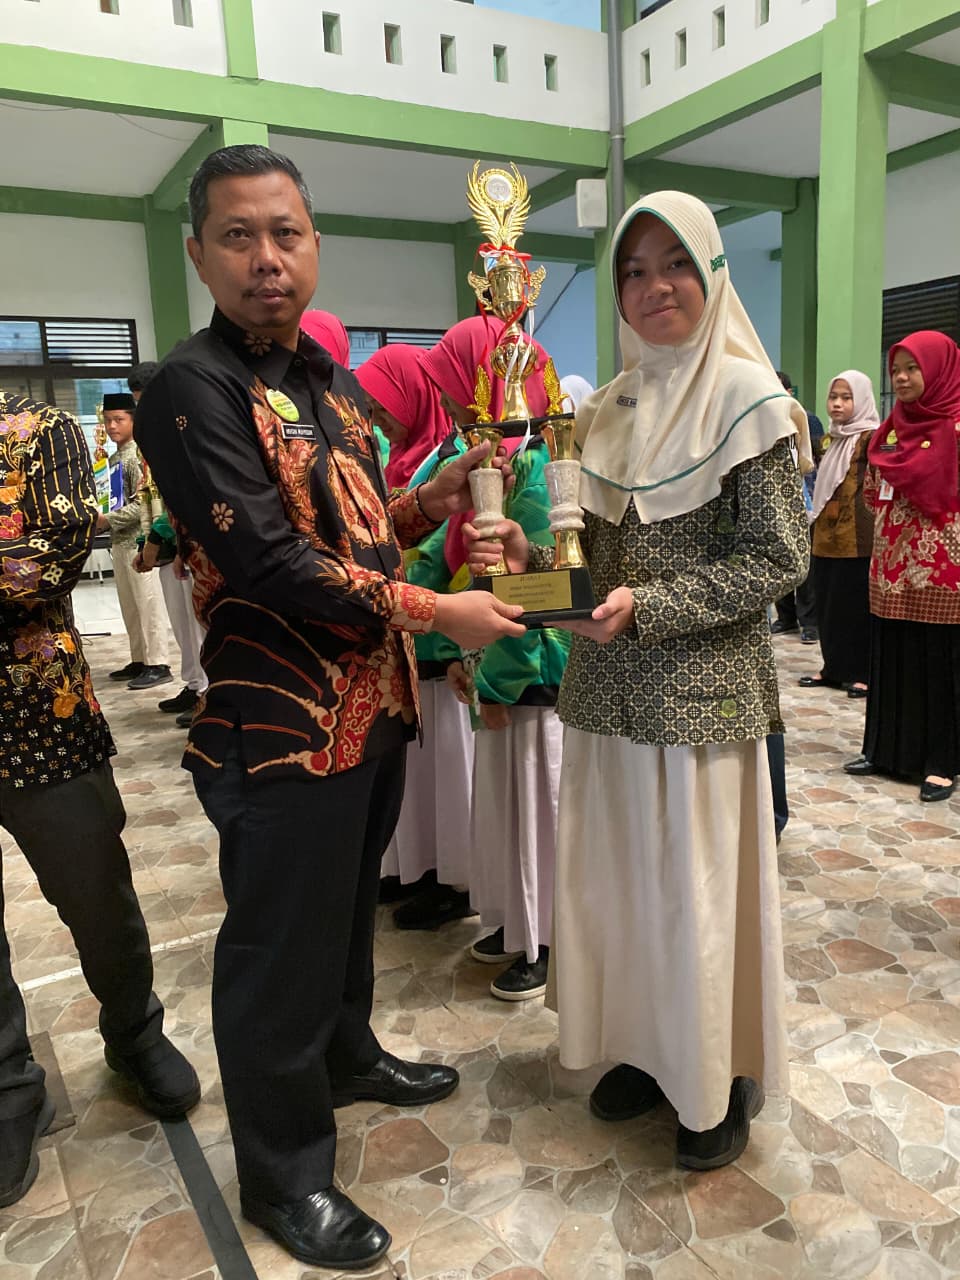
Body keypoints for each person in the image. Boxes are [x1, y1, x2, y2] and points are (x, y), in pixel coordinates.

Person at [134, 144, 526, 1271]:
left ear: (315, 244)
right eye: (239, 236)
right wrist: (438, 612)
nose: (267, 258)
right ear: (199, 253)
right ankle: (285, 1172)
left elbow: (354, 534)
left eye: (286, 233)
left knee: (344, 916)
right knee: (277, 950)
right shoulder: (192, 390)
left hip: (372, 709)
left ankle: (347, 1053)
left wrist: (426, 502)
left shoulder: (328, 382)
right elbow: (267, 562)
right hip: (280, 725)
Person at [466, 191, 810, 1168]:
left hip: (701, 701)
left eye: (675, 264)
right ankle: (647, 1051)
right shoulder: (604, 410)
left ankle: (712, 1080)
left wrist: (648, 607)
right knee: (623, 890)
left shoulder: (749, 400)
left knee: (694, 897)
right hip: (608, 696)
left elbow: (778, 558)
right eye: (633, 269)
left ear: (711, 272)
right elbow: (589, 570)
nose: (655, 286)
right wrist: (527, 558)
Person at [0, 390, 200, 1208]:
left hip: (39, 714)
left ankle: (133, 1031)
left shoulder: (35, 429)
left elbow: (55, 554)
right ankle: (10, 1083)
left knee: (97, 894)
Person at [423, 316, 569, 1000]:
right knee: (507, 814)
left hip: (533, 681)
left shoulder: (537, 475)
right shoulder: (488, 469)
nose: (451, 406)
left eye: (457, 389)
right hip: (496, 670)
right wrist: (465, 659)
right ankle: (517, 922)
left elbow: (533, 597)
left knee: (541, 811)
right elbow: (467, 577)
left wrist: (499, 685)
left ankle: (551, 940)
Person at [355, 344, 473, 915]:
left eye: (384, 406)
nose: (378, 419)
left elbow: (441, 554)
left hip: (441, 633)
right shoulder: (397, 459)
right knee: (420, 774)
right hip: (408, 634)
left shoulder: (447, 459)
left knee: (450, 770)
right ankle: (420, 866)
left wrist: (387, 581)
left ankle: (455, 879)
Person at [845, 331, 960, 803]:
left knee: (938, 662)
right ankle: (885, 751)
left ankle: (941, 762)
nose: (903, 378)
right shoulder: (889, 431)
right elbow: (872, 495)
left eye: (913, 368)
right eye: (896, 369)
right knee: (891, 657)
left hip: (943, 571)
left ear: (939, 371)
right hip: (890, 568)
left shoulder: (957, 429)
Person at [127, 362, 209, 725]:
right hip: (170, 545)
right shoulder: (156, 436)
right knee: (182, 624)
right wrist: (150, 540)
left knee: (198, 625)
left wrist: (160, 535)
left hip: (194, 542)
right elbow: (154, 497)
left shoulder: (189, 430)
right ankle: (194, 684)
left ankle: (208, 692)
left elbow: (187, 493)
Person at [799, 371, 878, 698]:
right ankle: (833, 668)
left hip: (858, 538)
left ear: (861, 400)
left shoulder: (872, 438)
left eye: (846, 398)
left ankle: (861, 672)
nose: (837, 404)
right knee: (828, 603)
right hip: (826, 535)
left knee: (855, 606)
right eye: (833, 397)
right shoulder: (831, 439)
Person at [96, 392, 172, 689]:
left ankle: (158, 662)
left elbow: (144, 503)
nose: (112, 426)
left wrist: (107, 520)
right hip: (119, 541)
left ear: (133, 420)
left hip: (140, 542)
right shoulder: (114, 458)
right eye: (108, 420)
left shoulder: (139, 454)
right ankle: (139, 658)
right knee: (130, 607)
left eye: (119, 419)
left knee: (149, 604)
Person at [771, 370, 822, 644]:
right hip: (775, 502)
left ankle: (809, 622)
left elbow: (814, 460)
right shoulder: (763, 422)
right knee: (778, 558)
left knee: (805, 565)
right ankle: (785, 617)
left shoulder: (806, 419)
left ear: (790, 392)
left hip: (805, 502)